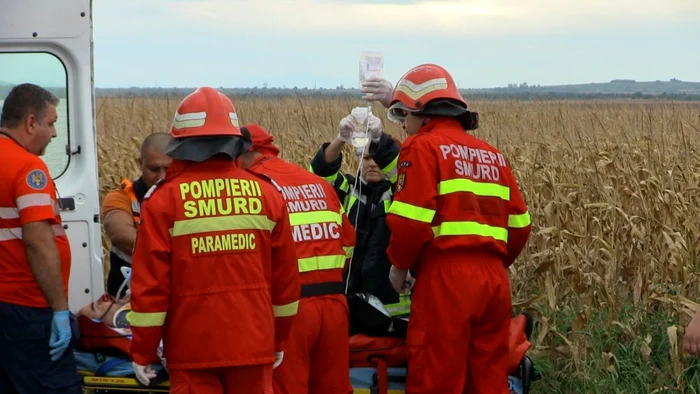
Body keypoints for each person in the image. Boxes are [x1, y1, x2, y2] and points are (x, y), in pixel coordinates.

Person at [125, 87, 301, 393]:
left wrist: (143, 349)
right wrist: (279, 338)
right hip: (254, 344)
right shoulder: (267, 194)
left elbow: (151, 287)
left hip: (192, 350)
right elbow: (286, 282)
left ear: (180, 143)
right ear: (234, 142)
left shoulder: (164, 201)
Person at [383, 64, 532, 394]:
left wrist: (399, 266)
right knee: (488, 379)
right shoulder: (494, 156)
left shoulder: (421, 147)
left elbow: (409, 222)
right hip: (494, 281)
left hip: (447, 280)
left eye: (402, 115)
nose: (404, 126)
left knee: (435, 377)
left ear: (422, 113)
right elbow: (520, 225)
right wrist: (488, 261)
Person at [237, 124, 356, 394]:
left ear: (241, 153)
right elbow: (348, 243)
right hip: (335, 307)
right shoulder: (318, 184)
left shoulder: (253, 188)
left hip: (288, 311)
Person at [0, 83, 81, 393]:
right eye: (51, 123)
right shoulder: (28, 167)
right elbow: (37, 240)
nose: (55, 133)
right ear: (31, 122)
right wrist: (60, 309)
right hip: (28, 309)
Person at [309, 84, 411, 319]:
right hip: (353, 302)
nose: (372, 164)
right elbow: (319, 179)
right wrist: (340, 139)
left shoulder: (401, 191)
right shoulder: (348, 190)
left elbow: (406, 175)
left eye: (377, 159)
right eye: (366, 159)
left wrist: (380, 140)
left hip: (395, 310)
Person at [101, 132, 172, 298]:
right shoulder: (121, 197)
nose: (161, 177)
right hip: (128, 300)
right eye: (154, 169)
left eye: (168, 169)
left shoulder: (188, 197)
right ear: (140, 164)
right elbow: (120, 235)